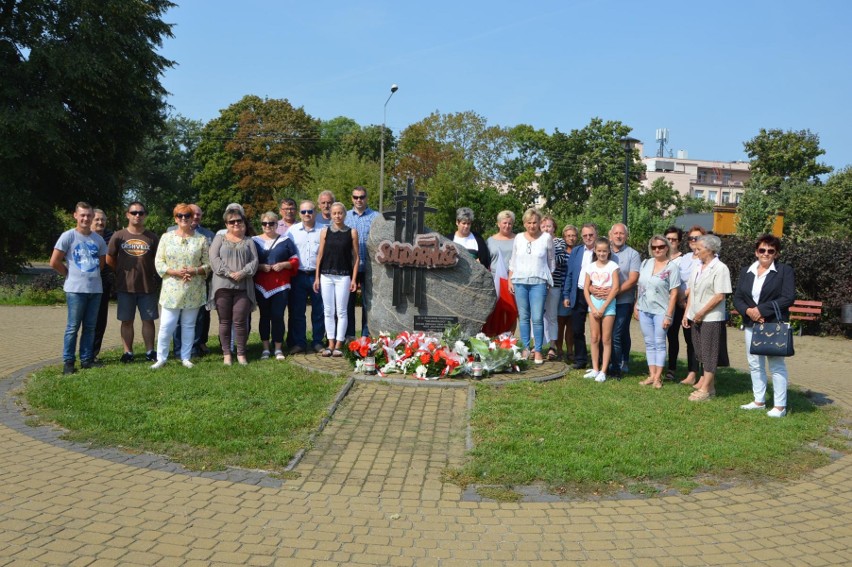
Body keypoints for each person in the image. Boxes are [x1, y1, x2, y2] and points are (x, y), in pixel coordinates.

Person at [734, 234, 795, 418]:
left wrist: (761, 310)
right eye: (762, 250)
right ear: (756, 251)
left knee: (776, 364)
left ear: (776, 254)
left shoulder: (784, 271)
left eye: (771, 251)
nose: (766, 253)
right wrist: (749, 311)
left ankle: (780, 406)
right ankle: (759, 400)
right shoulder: (746, 271)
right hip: (752, 324)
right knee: (755, 364)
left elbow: (788, 298)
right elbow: (738, 298)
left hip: (772, 325)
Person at [50, 202, 108, 375]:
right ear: (75, 215)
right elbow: (54, 262)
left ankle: (86, 359)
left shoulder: (98, 239)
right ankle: (68, 361)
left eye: (89, 215)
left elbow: (102, 264)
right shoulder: (68, 236)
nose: (86, 218)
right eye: (82, 215)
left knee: (90, 327)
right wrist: (68, 273)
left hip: (95, 289)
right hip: (75, 290)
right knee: (72, 327)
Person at [152, 203, 210, 369]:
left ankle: (186, 356)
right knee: (166, 325)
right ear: (175, 218)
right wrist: (174, 272)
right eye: (180, 216)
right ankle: (161, 358)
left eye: (187, 215)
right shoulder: (166, 237)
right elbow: (159, 261)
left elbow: (208, 264)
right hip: (172, 288)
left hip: (193, 288)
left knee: (189, 325)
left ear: (193, 218)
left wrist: (195, 270)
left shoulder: (201, 239)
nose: (183, 218)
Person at [106, 201, 160, 364]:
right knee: (126, 320)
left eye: (141, 213)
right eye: (134, 212)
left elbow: (159, 260)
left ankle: (150, 351)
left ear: (145, 216)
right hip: (125, 287)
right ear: (127, 215)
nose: (137, 215)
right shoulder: (119, 235)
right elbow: (110, 259)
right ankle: (128, 352)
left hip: (147, 287)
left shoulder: (152, 237)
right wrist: (121, 271)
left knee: (148, 320)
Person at [682, 234, 731, 401]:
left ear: (710, 250)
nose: (695, 252)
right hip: (695, 316)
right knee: (701, 352)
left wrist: (702, 313)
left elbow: (719, 296)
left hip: (710, 317)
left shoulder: (720, 268)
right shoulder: (697, 267)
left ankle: (706, 389)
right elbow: (692, 292)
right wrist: (687, 314)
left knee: (710, 353)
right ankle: (710, 388)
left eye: (699, 249)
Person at [209, 206, 258, 365]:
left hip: (243, 287)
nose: (235, 223)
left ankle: (241, 354)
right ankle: (227, 354)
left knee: (240, 321)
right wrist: (229, 273)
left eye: (239, 220)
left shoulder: (249, 240)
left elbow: (254, 261)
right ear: (226, 224)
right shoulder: (219, 238)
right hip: (222, 286)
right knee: (224, 321)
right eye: (232, 221)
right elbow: (214, 259)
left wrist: (242, 273)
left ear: (243, 222)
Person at [508, 208, 554, 365]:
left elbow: (551, 261)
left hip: (539, 282)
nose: (532, 225)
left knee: (537, 318)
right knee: (524, 317)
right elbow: (513, 260)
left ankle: (538, 350)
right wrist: (510, 279)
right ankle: (526, 348)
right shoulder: (519, 238)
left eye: (535, 222)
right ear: (524, 223)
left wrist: (548, 278)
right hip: (520, 281)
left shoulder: (546, 238)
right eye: (529, 222)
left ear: (540, 223)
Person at [314, 202, 360, 357]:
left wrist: (354, 279)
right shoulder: (325, 231)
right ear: (331, 215)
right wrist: (317, 277)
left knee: (341, 311)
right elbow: (319, 255)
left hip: (344, 276)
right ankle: (330, 343)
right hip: (326, 275)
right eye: (334, 213)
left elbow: (356, 257)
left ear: (344, 214)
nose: (337, 216)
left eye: (340, 213)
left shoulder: (352, 232)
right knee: (328, 311)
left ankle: (339, 344)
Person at [253, 211, 299, 361]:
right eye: (264, 223)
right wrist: (260, 267)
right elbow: (249, 263)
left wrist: (284, 264)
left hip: (280, 285)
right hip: (261, 285)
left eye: (271, 223)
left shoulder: (285, 240)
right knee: (264, 317)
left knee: (278, 316)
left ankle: (278, 348)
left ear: (276, 224)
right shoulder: (254, 241)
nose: (268, 226)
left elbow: (295, 260)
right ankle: (265, 348)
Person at [635, 235, 680, 389]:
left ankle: (658, 377)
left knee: (659, 343)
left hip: (661, 310)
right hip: (644, 309)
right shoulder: (645, 263)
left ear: (667, 247)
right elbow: (640, 287)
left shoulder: (671, 267)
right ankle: (651, 374)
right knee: (649, 342)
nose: (657, 250)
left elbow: (674, 293)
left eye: (661, 246)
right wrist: (636, 304)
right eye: (654, 247)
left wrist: (669, 314)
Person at [171, 204, 214, 357]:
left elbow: (211, 260)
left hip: (200, 282)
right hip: (177, 282)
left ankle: (196, 346)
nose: (195, 217)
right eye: (191, 214)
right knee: (177, 318)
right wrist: (181, 272)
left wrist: (196, 272)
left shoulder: (208, 235)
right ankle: (177, 349)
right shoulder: (171, 232)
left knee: (199, 317)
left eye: (198, 214)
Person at [598, 223, 640, 377]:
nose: (618, 236)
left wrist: (613, 293)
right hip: (603, 300)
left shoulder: (632, 254)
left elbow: (632, 280)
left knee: (618, 333)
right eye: (615, 233)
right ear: (610, 235)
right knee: (606, 334)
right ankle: (607, 362)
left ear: (626, 236)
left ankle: (620, 363)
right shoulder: (604, 251)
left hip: (623, 300)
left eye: (621, 233)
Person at [581, 237, 620, 382]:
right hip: (593, 304)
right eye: (599, 251)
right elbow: (586, 288)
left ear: (609, 251)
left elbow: (615, 287)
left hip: (608, 305)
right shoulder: (590, 267)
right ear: (595, 251)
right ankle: (595, 368)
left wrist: (603, 307)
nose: (602, 253)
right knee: (594, 338)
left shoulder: (613, 266)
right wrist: (592, 307)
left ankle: (604, 370)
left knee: (606, 339)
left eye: (605, 251)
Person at [288, 200, 326, 353]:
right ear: (300, 214)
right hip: (298, 275)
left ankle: (317, 342)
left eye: (310, 211)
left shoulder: (323, 230)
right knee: (298, 311)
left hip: (317, 276)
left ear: (315, 213)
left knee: (319, 310)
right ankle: (300, 343)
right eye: (303, 212)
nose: (307, 214)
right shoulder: (292, 231)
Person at [562, 223, 598, 369]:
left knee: (598, 331)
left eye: (591, 235)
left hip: (596, 295)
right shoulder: (576, 251)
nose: (588, 238)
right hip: (578, 293)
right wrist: (566, 295)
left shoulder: (602, 249)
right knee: (577, 329)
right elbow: (569, 274)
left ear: (596, 235)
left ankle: (599, 359)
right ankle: (580, 359)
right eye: (585, 235)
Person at [345, 186, 379, 340]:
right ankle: (350, 335)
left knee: (368, 303)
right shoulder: (344, 217)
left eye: (362, 197)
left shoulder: (377, 217)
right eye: (355, 197)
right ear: (352, 198)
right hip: (349, 266)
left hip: (370, 267)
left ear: (367, 198)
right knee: (347, 303)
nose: (359, 200)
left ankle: (366, 335)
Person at [677, 225, 707, 385]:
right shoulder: (685, 258)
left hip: (699, 304)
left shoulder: (708, 257)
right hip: (683, 305)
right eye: (691, 238)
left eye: (697, 238)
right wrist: (680, 299)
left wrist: (685, 294)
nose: (693, 241)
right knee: (690, 341)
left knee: (702, 341)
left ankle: (704, 375)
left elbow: (699, 281)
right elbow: (679, 279)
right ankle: (692, 373)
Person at [540, 215, 566, 360]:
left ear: (554, 228)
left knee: (552, 316)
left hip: (554, 285)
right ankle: (537, 345)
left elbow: (562, 259)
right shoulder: (537, 241)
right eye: (543, 226)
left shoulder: (559, 242)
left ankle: (552, 346)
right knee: (536, 316)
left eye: (548, 226)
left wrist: (549, 254)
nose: (546, 229)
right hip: (539, 284)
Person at [91, 208, 114, 361]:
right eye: (97, 219)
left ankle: (93, 353)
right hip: (85, 286)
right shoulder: (84, 236)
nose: (100, 222)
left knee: (100, 320)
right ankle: (82, 352)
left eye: (103, 219)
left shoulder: (112, 237)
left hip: (103, 285)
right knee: (84, 321)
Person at [663, 226, 685, 381]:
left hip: (677, 303)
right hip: (659, 303)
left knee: (672, 336)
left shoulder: (683, 260)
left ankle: (671, 368)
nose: (671, 242)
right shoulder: (659, 257)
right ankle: (656, 366)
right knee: (657, 337)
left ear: (679, 241)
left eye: (674, 240)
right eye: (668, 239)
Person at [556, 225, 578, 361]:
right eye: (568, 235)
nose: (571, 238)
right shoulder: (560, 252)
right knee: (560, 322)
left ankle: (570, 350)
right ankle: (559, 349)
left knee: (571, 323)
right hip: (561, 289)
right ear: (564, 237)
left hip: (574, 291)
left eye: (573, 235)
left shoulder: (579, 251)